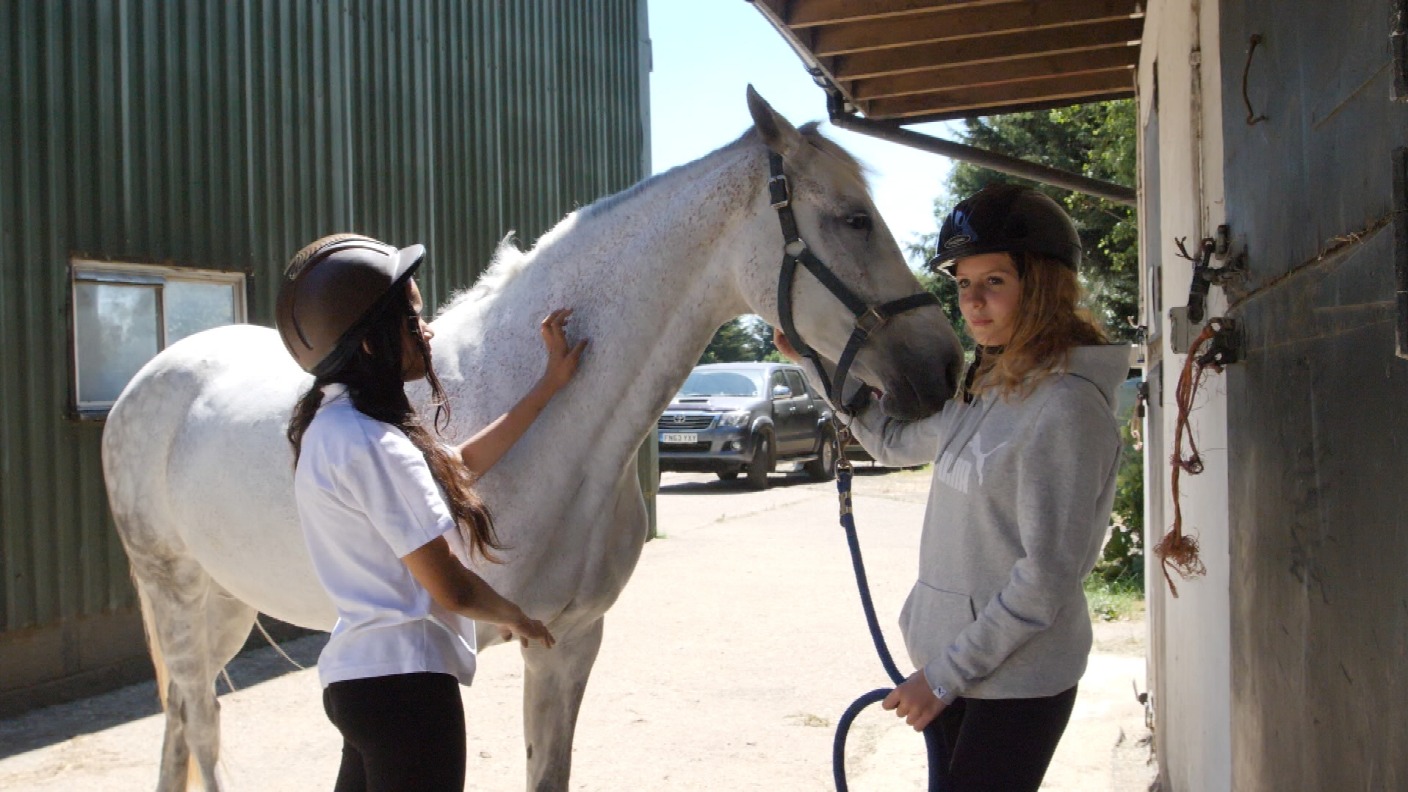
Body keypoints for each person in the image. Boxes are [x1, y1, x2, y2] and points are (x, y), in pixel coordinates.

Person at [777, 184, 1128, 792]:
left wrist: (941, 678)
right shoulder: (989, 389)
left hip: (1015, 684)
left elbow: (1044, 579)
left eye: (994, 281)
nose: (973, 301)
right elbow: (891, 443)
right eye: (963, 284)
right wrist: (813, 362)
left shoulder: (1066, 408)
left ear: (1040, 287)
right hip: (957, 671)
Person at [275, 233, 587, 792]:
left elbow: (457, 466)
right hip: (408, 692)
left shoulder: (331, 428)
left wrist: (548, 386)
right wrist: (517, 616)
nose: (427, 330)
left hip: (359, 684)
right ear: (370, 345)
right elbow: (453, 589)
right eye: (411, 319)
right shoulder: (376, 443)